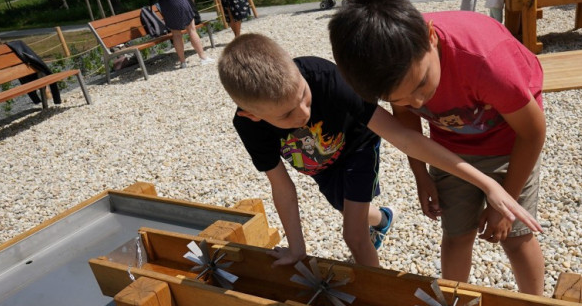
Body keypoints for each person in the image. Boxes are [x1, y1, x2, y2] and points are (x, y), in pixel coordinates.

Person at [218, 33, 541, 270]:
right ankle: (382, 219)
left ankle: (377, 295)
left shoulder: (324, 77)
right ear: (253, 115)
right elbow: (282, 187)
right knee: (345, 207)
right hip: (321, 164)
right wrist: (297, 248)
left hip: (357, 146)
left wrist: (488, 184)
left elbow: (405, 137)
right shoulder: (249, 126)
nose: (303, 112)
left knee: (353, 234)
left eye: (304, 95)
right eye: (286, 116)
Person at [328, 0, 546, 295]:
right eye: (400, 98)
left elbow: (533, 131)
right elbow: (406, 125)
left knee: (516, 237)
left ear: (431, 36)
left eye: (421, 85)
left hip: (509, 147)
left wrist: (505, 202)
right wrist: (420, 174)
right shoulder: (391, 66)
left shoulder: (486, 60)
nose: (417, 102)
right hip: (448, 150)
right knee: (456, 234)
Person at [147, 0, 213, 69]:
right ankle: (203, 58)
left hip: (164, 2)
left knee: (176, 34)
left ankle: (182, 63)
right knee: (191, 28)